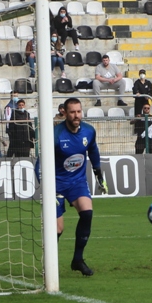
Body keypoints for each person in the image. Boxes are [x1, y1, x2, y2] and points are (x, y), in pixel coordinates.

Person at [48, 98, 106, 276]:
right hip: (56, 184)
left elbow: (93, 151)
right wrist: (46, 187)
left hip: (77, 182)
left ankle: (78, 260)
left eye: (79, 111)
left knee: (87, 212)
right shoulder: (56, 135)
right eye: (72, 112)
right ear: (64, 113)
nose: (76, 115)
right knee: (57, 229)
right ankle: (49, 265)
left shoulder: (88, 131)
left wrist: (98, 176)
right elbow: (40, 164)